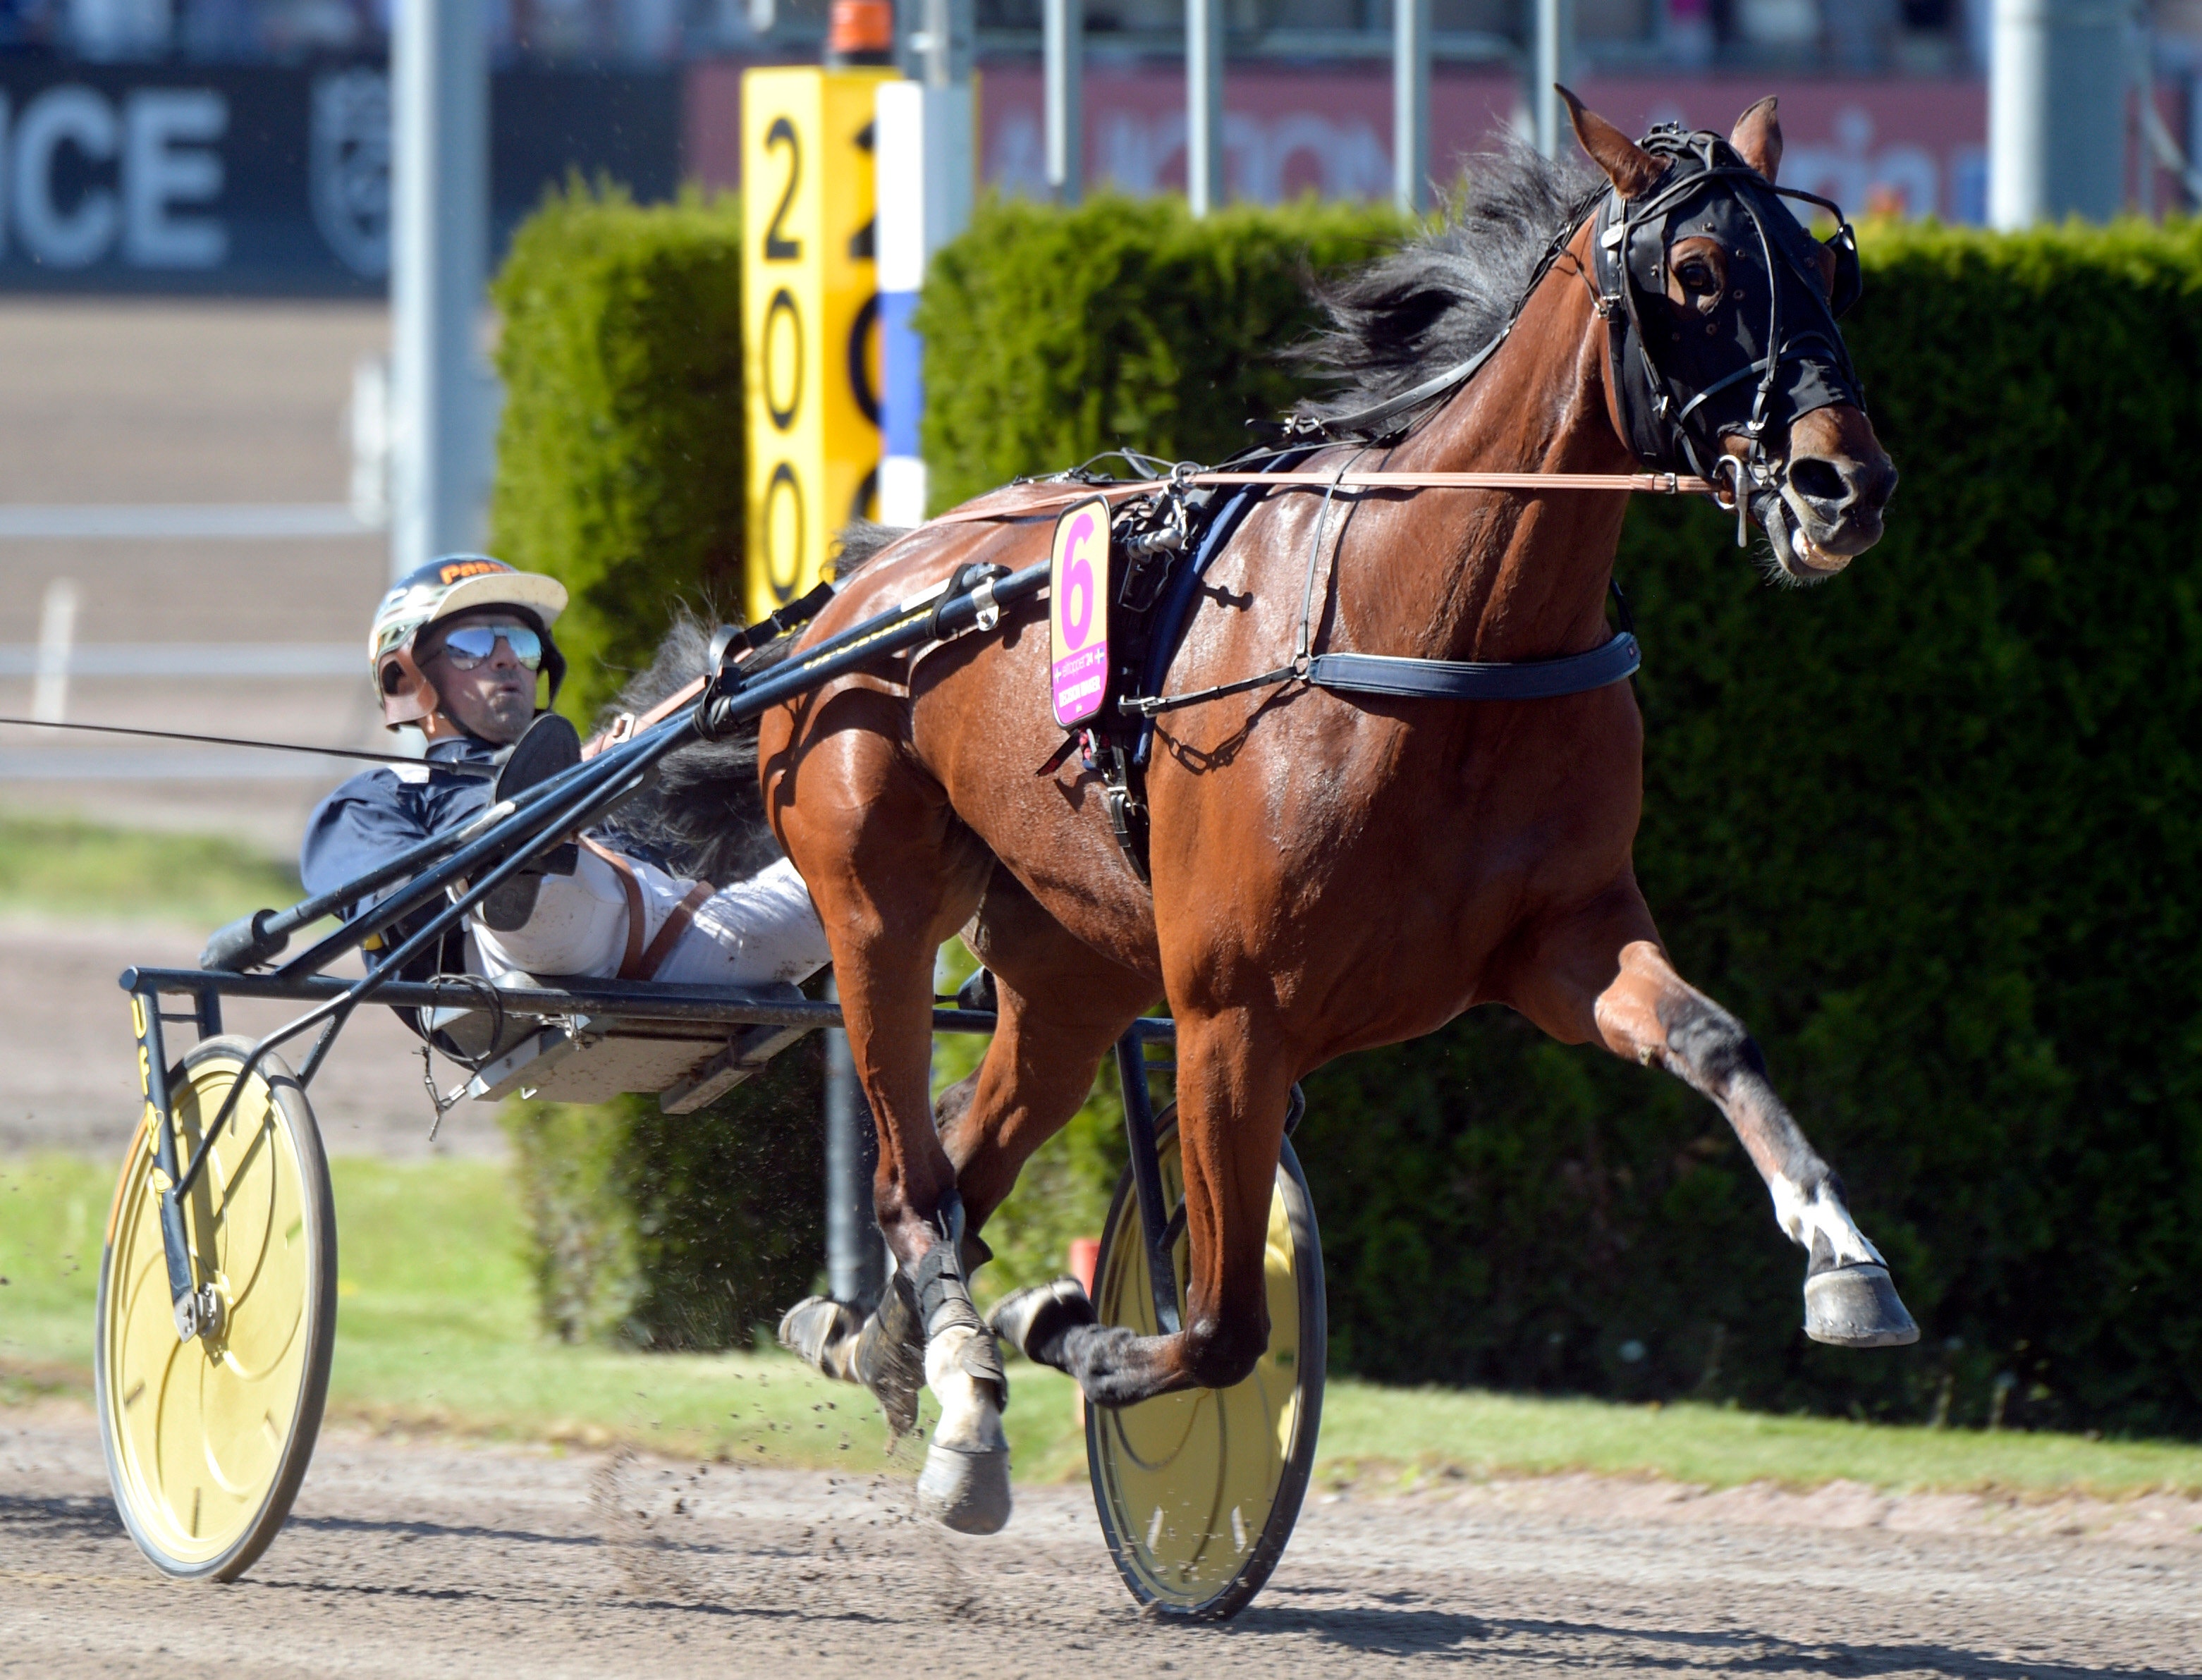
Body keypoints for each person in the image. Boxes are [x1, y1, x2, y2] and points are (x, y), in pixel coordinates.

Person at [300, 555, 831, 992]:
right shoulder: (370, 799)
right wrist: (505, 832)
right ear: (407, 678)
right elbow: (385, 901)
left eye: (523, 645)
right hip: (514, 953)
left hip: (687, 935)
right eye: (475, 646)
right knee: (541, 883)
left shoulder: (579, 761)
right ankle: (515, 855)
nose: (507, 659)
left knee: (853, 880)